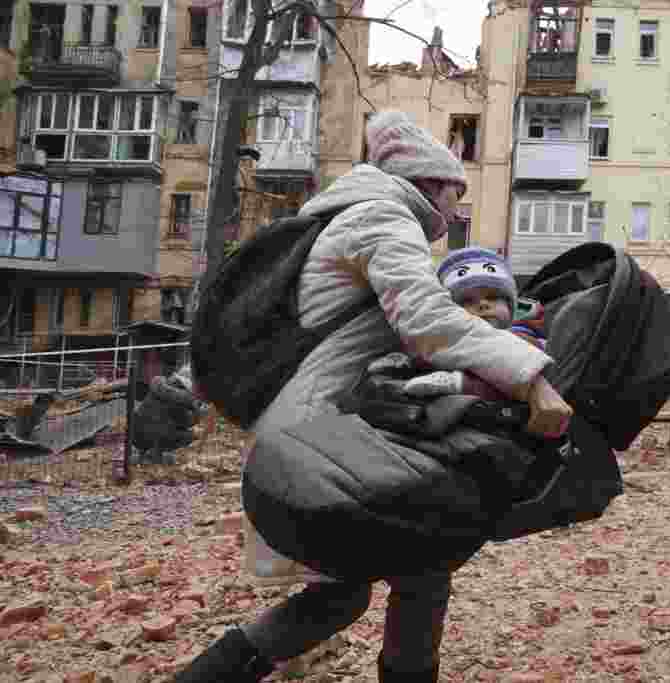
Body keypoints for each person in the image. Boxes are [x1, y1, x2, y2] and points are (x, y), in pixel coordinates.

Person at [174, 110, 573, 683]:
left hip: (311, 430)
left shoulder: (349, 218)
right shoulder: (382, 219)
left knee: (375, 584)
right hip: (321, 438)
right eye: (453, 193)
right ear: (427, 184)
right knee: (406, 569)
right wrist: (531, 376)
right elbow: (426, 317)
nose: (455, 211)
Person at [370, 247, 549, 403]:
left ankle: (458, 384)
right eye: (467, 301)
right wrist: (408, 358)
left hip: (507, 402)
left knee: (519, 352)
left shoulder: (523, 334)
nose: (483, 305)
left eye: (493, 297)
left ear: (511, 306)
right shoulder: (449, 337)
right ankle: (404, 363)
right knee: (436, 347)